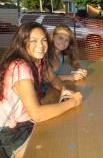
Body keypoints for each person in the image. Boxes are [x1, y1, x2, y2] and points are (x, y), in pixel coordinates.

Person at [0, 22, 82, 158]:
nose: (41, 45)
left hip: (25, 121)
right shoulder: (20, 66)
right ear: (22, 42)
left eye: (44, 40)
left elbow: (53, 79)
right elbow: (37, 114)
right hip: (10, 130)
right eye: (34, 41)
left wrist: (63, 89)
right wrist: (73, 102)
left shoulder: (39, 61)